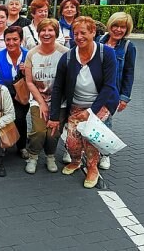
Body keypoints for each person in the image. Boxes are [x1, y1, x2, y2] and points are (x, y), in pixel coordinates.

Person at [48, 16, 119, 189]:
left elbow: (109, 86)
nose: (79, 37)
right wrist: (54, 116)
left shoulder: (106, 53)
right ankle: (76, 161)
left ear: (93, 32)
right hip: (76, 105)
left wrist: (91, 112)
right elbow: (57, 87)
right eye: (75, 33)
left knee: (90, 137)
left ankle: (93, 168)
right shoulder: (68, 57)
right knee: (72, 141)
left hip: (100, 104)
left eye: (83, 33)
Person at [24, 18, 69, 174]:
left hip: (59, 102)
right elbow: (29, 81)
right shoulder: (32, 54)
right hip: (38, 99)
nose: (46, 33)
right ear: (38, 33)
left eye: (50, 30)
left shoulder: (64, 53)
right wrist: (41, 102)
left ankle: (50, 156)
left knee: (53, 133)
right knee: (39, 131)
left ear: (56, 33)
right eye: (43, 30)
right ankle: (33, 156)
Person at [97, 12, 137, 170]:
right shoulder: (99, 41)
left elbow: (129, 73)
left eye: (123, 27)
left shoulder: (128, 47)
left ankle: (105, 154)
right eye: (116, 26)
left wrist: (124, 97)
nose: (118, 30)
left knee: (105, 123)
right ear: (110, 25)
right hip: (93, 91)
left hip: (112, 93)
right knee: (90, 121)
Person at [0, 26, 30, 159]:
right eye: (7, 39)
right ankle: (3, 144)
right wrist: (6, 97)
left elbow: (34, 79)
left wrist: (26, 72)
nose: (11, 43)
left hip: (24, 93)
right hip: (5, 91)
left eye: (15, 39)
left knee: (19, 118)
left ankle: (22, 146)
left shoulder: (28, 55)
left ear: (21, 40)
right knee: (2, 116)